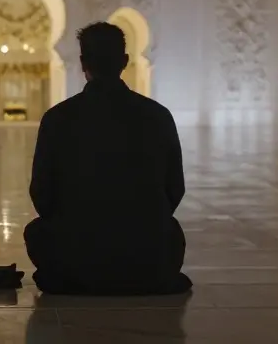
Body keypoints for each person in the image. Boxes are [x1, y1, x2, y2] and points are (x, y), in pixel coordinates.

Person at [24, 22, 191, 295]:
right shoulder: (158, 116)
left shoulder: (58, 119)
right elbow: (174, 189)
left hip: (74, 263)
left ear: (82, 63)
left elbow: (42, 195)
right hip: (148, 261)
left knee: (37, 232)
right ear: (125, 61)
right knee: (168, 231)